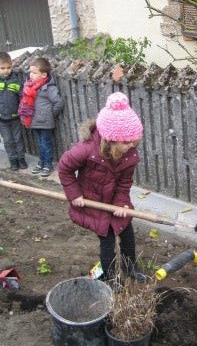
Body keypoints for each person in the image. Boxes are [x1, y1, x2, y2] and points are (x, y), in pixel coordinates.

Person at [58, 92, 146, 282]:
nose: (131, 145)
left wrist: (122, 203)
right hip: (93, 203)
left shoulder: (128, 155)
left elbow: (124, 184)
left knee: (127, 233)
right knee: (107, 242)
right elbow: (64, 168)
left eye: (133, 141)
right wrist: (74, 194)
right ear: (110, 139)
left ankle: (130, 266)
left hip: (114, 202)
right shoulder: (86, 150)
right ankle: (110, 277)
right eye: (126, 142)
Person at [18, 57, 63, 177]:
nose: (31, 75)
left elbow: (59, 102)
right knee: (39, 143)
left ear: (44, 75)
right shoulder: (29, 87)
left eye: (34, 72)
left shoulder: (49, 88)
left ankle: (48, 164)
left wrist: (50, 114)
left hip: (45, 122)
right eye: (30, 72)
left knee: (46, 144)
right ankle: (41, 161)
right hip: (33, 121)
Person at [0, 52, 26, 171]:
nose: (6, 70)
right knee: (8, 140)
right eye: (3, 68)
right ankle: (13, 160)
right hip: (1, 118)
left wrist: (23, 113)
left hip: (15, 117)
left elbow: (22, 98)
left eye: (8, 68)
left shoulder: (16, 81)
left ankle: (21, 159)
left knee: (18, 139)